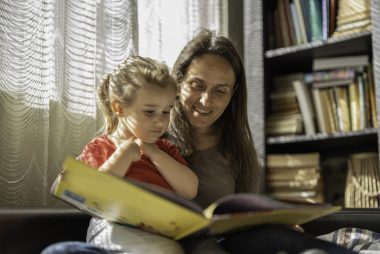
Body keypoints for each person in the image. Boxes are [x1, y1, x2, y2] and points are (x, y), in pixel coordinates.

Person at [42, 29, 357, 254]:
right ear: (178, 83)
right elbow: (90, 185)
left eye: (221, 90)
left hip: (217, 242)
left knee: (278, 238)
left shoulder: (235, 148)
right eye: (197, 85)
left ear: (233, 95)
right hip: (146, 236)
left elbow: (247, 213)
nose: (206, 100)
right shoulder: (146, 129)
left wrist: (281, 224)